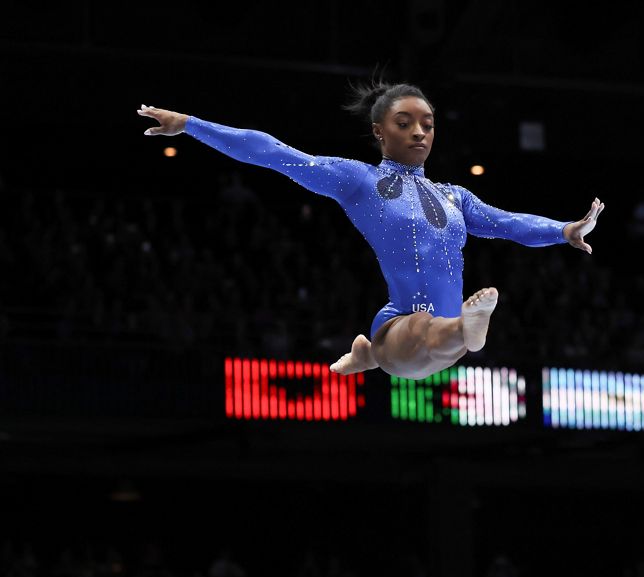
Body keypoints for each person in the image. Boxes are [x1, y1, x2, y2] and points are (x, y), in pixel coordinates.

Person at [136, 81, 603, 379]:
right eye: (405, 123)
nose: (420, 132)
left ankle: (387, 350)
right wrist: (191, 125)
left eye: (427, 124)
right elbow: (274, 153)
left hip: (434, 337)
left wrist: (563, 230)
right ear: (380, 131)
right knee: (427, 329)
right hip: (402, 324)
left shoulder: (455, 197)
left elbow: (508, 223)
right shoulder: (359, 180)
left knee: (440, 335)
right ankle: (438, 336)